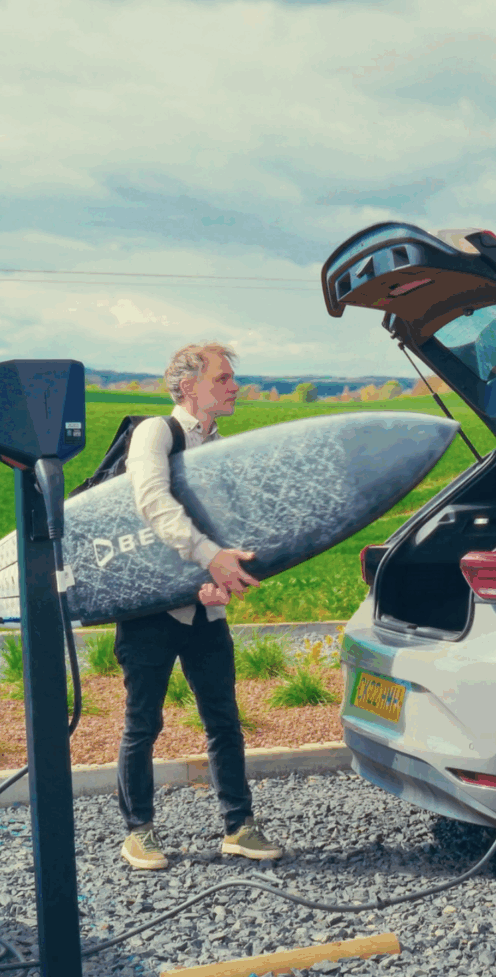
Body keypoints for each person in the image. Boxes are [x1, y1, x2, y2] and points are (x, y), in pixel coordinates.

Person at [115, 340, 280, 870]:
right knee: (144, 723)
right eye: (223, 378)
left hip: (205, 609)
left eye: (232, 378)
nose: (235, 386)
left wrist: (218, 582)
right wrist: (209, 560)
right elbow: (152, 503)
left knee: (224, 720)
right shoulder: (155, 433)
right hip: (149, 608)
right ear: (189, 387)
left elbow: (224, 528)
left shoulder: (219, 448)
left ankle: (239, 826)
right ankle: (138, 832)